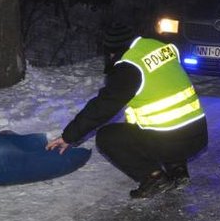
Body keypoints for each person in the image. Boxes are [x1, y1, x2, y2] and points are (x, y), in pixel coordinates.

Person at [46, 36, 208, 198]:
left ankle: (154, 178)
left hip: (171, 142)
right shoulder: (158, 46)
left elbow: (102, 107)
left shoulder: (129, 67)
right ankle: (178, 171)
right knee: (160, 124)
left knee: (107, 136)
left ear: (112, 52)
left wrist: (69, 136)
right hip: (198, 135)